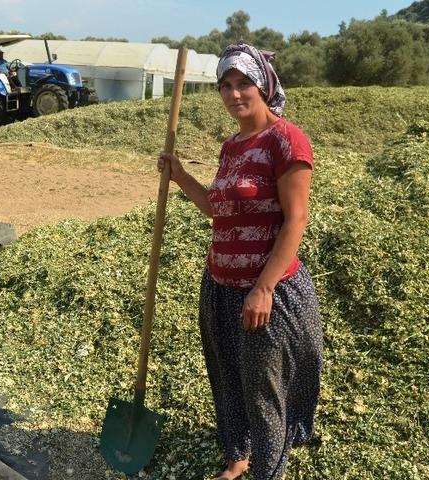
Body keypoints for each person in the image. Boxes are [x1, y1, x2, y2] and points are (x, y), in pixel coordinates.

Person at [157, 43, 323, 480]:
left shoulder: (286, 139)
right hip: (219, 284)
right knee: (228, 376)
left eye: (243, 83)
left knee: (264, 390)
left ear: (263, 86)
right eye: (225, 85)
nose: (233, 94)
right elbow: (218, 208)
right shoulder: (232, 147)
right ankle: (238, 457)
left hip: (267, 290)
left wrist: (263, 288)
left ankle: (267, 472)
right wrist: (179, 175)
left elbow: (296, 219)